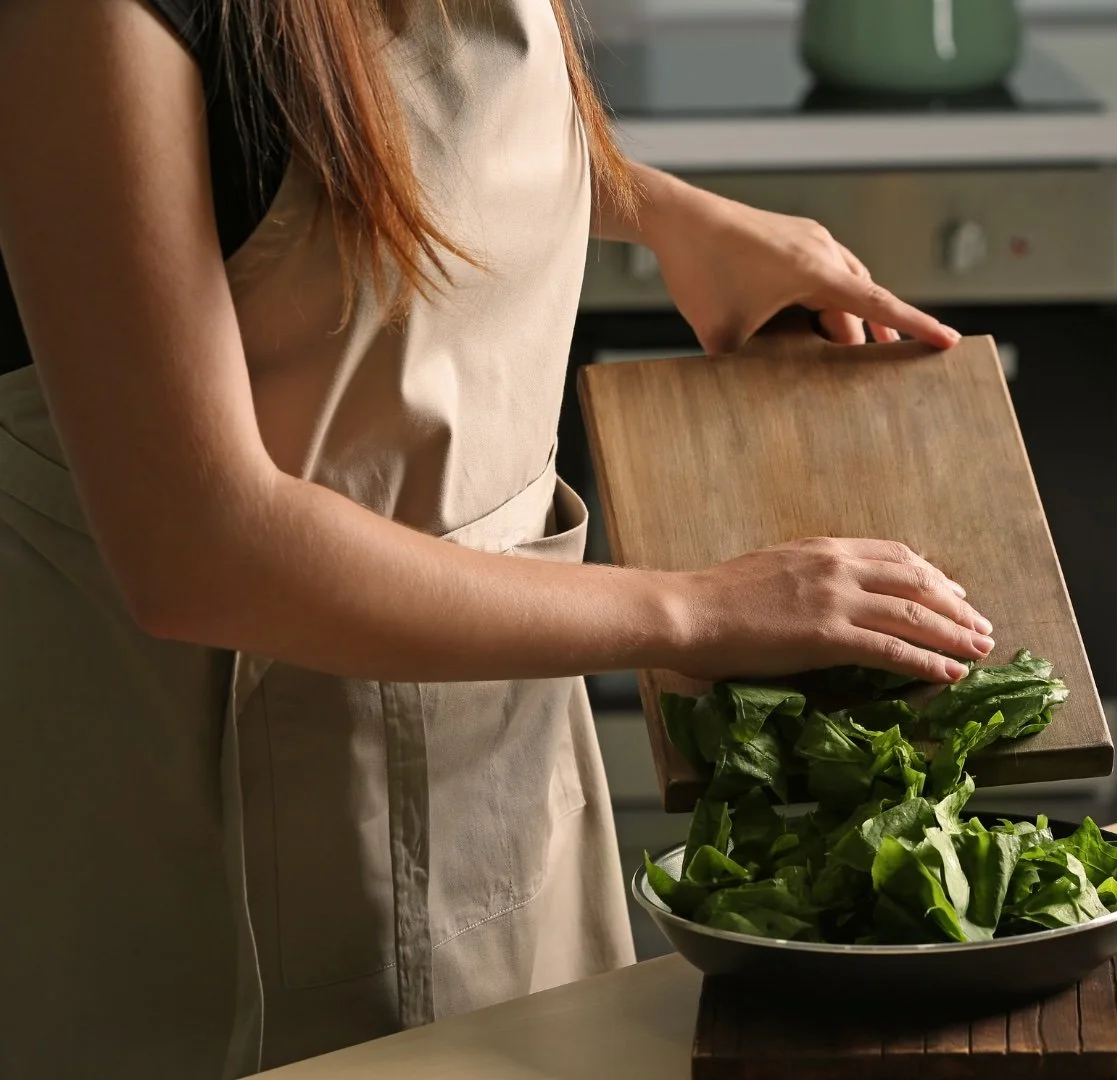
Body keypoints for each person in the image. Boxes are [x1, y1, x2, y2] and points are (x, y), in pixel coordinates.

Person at [0, 0, 998, 1075]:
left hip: (504, 768)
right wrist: (696, 612)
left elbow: (380, 137)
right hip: (213, 845)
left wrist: (663, 211)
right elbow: (199, 551)